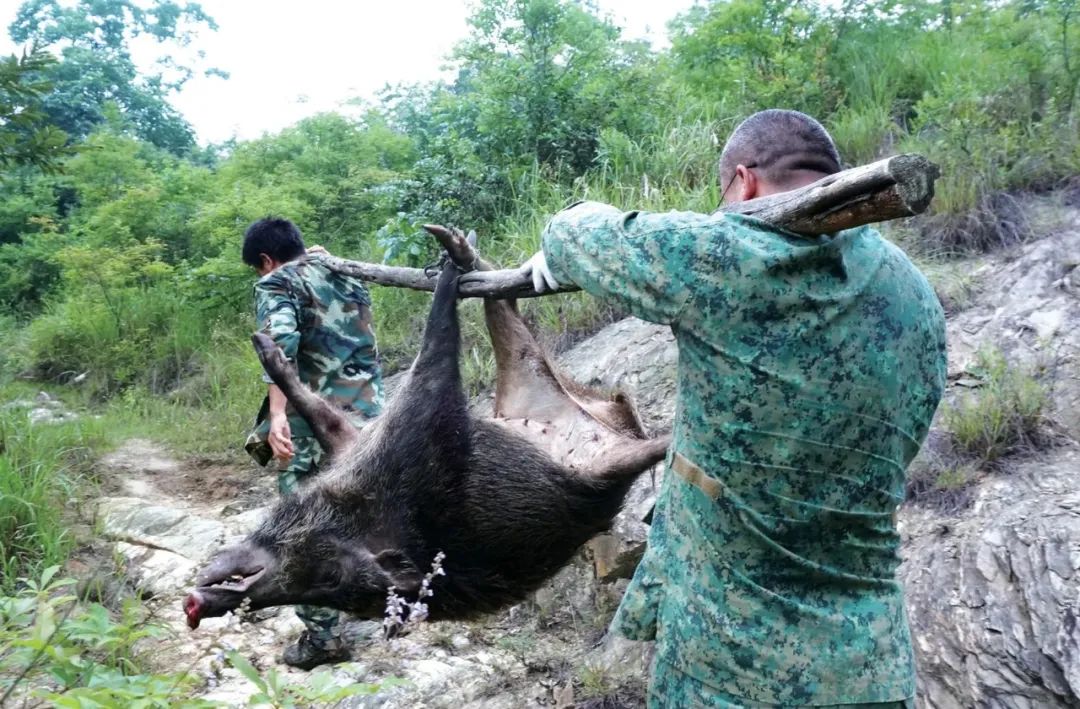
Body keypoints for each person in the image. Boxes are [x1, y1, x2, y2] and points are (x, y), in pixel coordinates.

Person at [522, 109, 946, 707]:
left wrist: (562, 239)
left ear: (743, 182)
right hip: (873, 667)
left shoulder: (736, 253)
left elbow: (576, 233)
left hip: (733, 671)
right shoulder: (914, 291)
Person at [242, 217, 383, 670]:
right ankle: (379, 606)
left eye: (258, 268)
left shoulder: (277, 282)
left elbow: (280, 345)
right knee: (366, 514)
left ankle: (324, 639)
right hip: (366, 420)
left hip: (313, 423)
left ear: (266, 260)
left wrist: (278, 414)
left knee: (302, 528)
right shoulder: (343, 270)